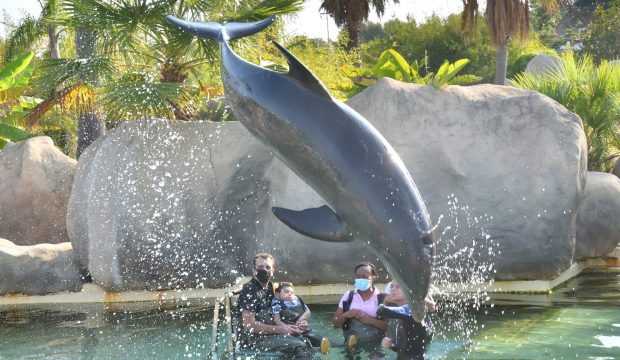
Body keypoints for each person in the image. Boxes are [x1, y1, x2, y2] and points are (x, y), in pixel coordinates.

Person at [236, 252, 314, 359]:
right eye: (260, 267)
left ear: (273, 271)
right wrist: (282, 330)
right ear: (254, 270)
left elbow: (282, 309)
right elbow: (248, 325)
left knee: (305, 340)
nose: (264, 270)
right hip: (252, 340)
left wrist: (297, 323)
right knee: (299, 345)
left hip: (269, 335)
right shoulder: (250, 289)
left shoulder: (270, 288)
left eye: (268, 267)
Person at [332, 262, 388, 357]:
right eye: (358, 276)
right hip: (351, 343)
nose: (361, 279)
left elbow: (389, 327)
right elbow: (335, 322)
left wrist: (371, 321)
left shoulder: (382, 299)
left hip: (375, 344)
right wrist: (346, 315)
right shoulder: (348, 296)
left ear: (373, 277)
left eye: (365, 276)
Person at [379, 279, 436, 360]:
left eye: (398, 286)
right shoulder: (404, 313)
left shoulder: (411, 311)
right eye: (391, 286)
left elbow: (382, 311)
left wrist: (383, 306)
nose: (393, 289)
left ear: (409, 292)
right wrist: (391, 346)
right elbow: (408, 348)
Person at [272, 282, 331, 353]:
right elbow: (277, 321)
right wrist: (288, 329)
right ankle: (318, 350)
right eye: (286, 292)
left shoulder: (297, 300)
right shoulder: (276, 304)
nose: (290, 294)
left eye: (292, 292)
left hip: (302, 328)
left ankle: (342, 345)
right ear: (278, 294)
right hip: (289, 332)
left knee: (319, 338)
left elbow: (308, 312)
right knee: (303, 342)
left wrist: (300, 320)